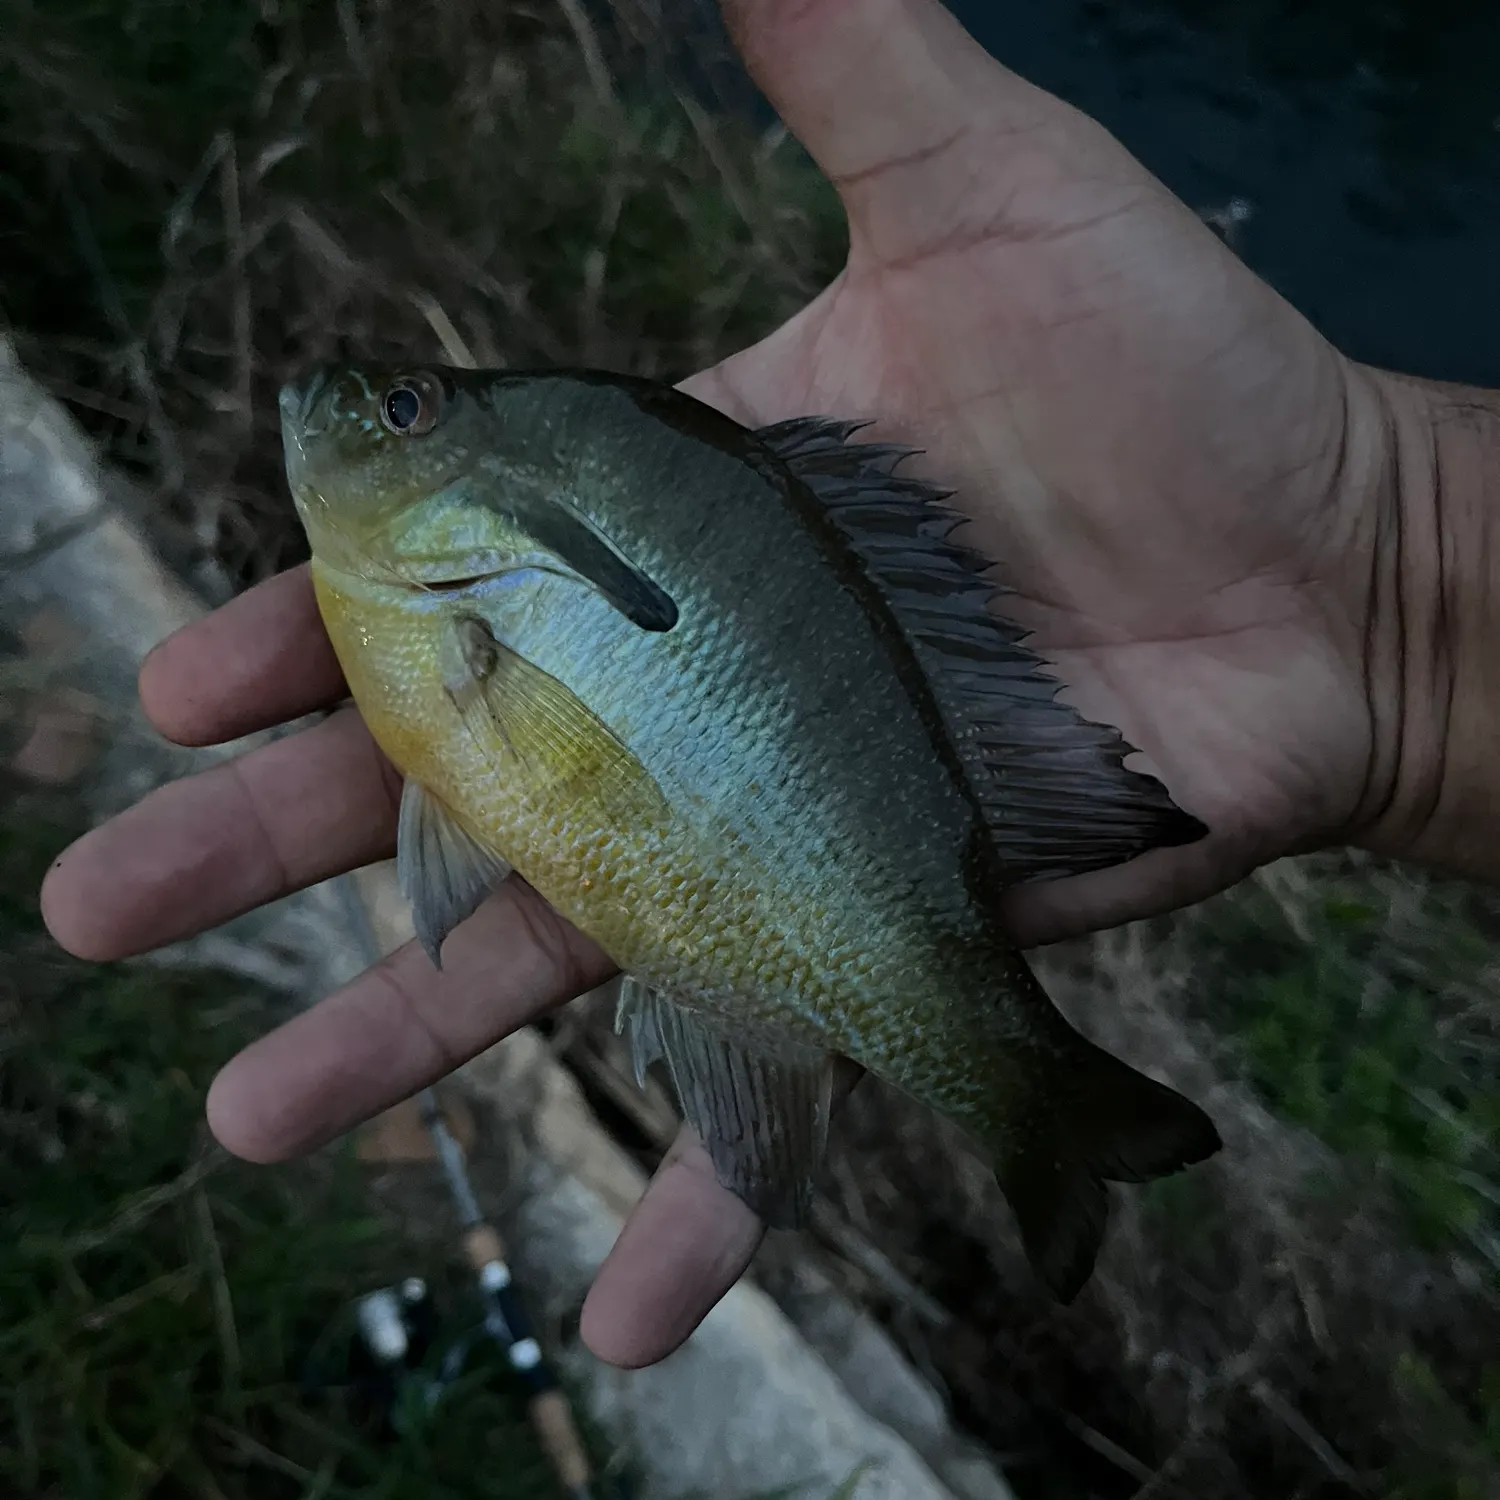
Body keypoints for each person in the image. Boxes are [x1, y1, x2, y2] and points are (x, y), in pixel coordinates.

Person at [39, 0, 1500, 1370]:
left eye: (413, 407)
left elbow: (521, 763)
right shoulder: (441, 593)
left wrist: (1382, 552)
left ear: (502, 502)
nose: (366, 407)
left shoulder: (463, 598)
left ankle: (1030, 1097)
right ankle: (1032, 1101)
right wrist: (1380, 566)